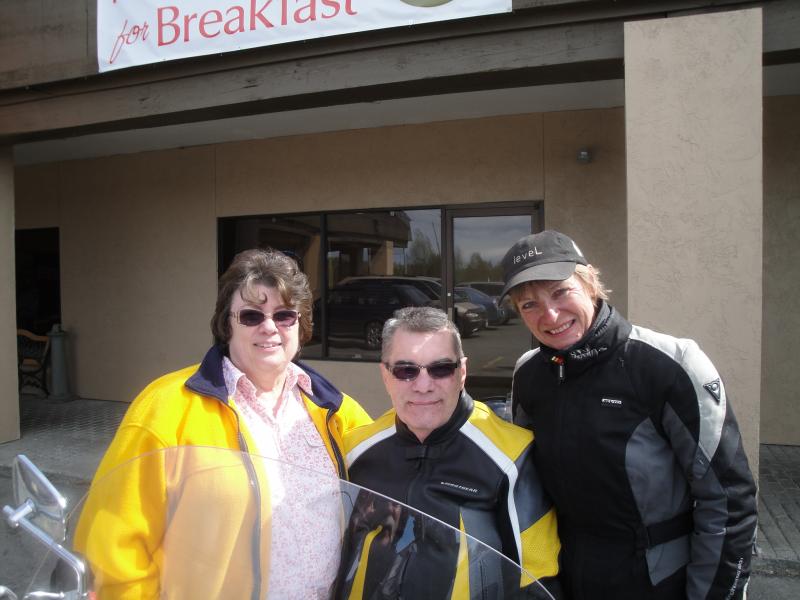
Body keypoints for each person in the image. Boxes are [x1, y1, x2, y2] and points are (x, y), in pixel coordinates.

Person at [73, 248, 371, 599]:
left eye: (284, 315)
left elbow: (393, 464)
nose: (269, 327)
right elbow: (112, 549)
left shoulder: (333, 408)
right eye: (251, 316)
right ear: (226, 324)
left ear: (300, 324)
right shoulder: (166, 408)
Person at [500, 230, 757, 600]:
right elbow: (528, 488)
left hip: (659, 582)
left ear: (590, 284)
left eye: (560, 292)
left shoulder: (670, 363)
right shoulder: (528, 374)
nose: (550, 315)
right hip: (564, 577)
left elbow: (728, 501)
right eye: (529, 305)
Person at [337, 306, 562, 599]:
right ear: (385, 375)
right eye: (406, 371)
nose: (423, 386)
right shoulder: (355, 448)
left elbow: (538, 580)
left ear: (462, 372)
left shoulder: (512, 455)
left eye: (440, 369)